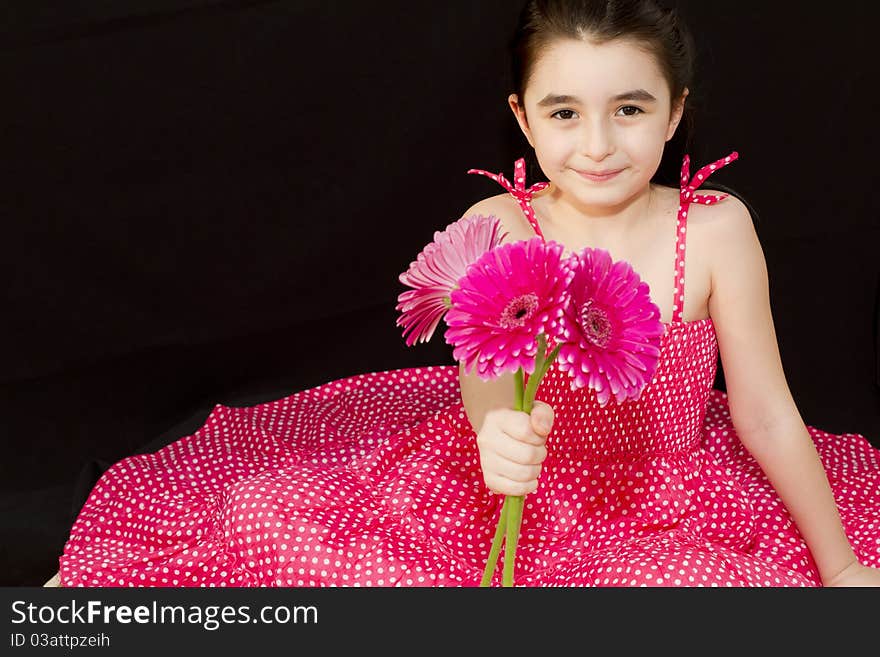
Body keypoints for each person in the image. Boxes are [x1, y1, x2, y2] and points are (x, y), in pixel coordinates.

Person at [55, 0, 880, 587]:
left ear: (674, 115)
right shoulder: (500, 223)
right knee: (277, 520)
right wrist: (496, 434)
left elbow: (765, 411)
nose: (597, 145)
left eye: (629, 108)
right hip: (516, 489)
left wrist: (840, 566)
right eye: (564, 112)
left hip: (670, 497)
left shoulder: (715, 228)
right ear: (523, 119)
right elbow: (485, 387)